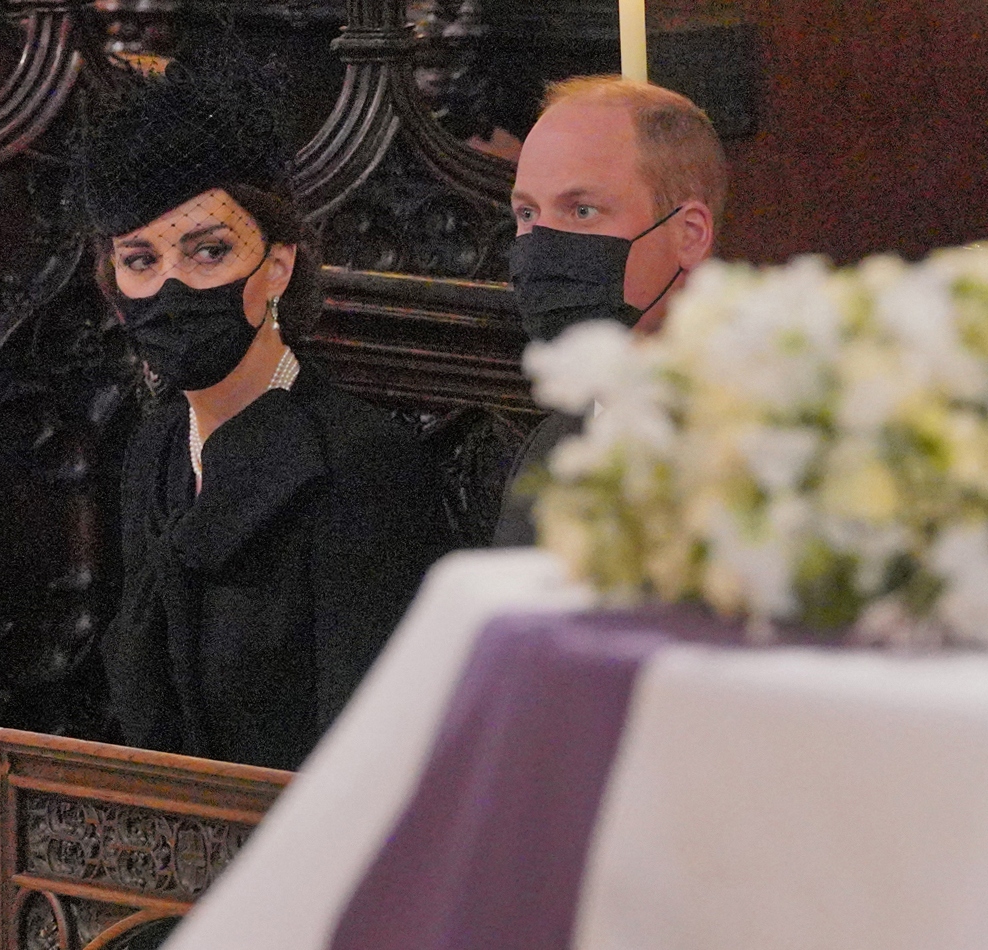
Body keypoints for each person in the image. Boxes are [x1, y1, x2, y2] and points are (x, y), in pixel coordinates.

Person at [78, 60, 452, 771]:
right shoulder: (153, 444)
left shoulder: (361, 465)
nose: (171, 285)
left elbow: (369, 757)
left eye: (209, 251)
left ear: (277, 266)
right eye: (140, 259)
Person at [493, 76, 729, 545]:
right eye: (527, 213)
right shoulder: (550, 445)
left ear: (690, 235)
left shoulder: (762, 440)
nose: (541, 242)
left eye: (582, 211)